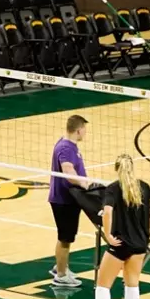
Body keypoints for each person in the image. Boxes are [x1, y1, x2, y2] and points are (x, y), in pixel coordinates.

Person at [76, 155, 150, 299]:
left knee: (103, 286)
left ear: (117, 169)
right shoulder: (143, 186)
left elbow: (107, 212)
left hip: (120, 244)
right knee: (132, 285)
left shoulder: (114, 188)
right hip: (140, 243)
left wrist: (108, 235)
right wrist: (148, 227)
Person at [48, 115, 89, 287]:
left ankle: (61, 266)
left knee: (66, 237)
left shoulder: (67, 144)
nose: (85, 133)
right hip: (64, 200)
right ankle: (61, 275)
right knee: (65, 238)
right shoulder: (66, 148)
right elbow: (68, 172)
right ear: (78, 130)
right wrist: (83, 183)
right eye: (84, 130)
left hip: (67, 199)